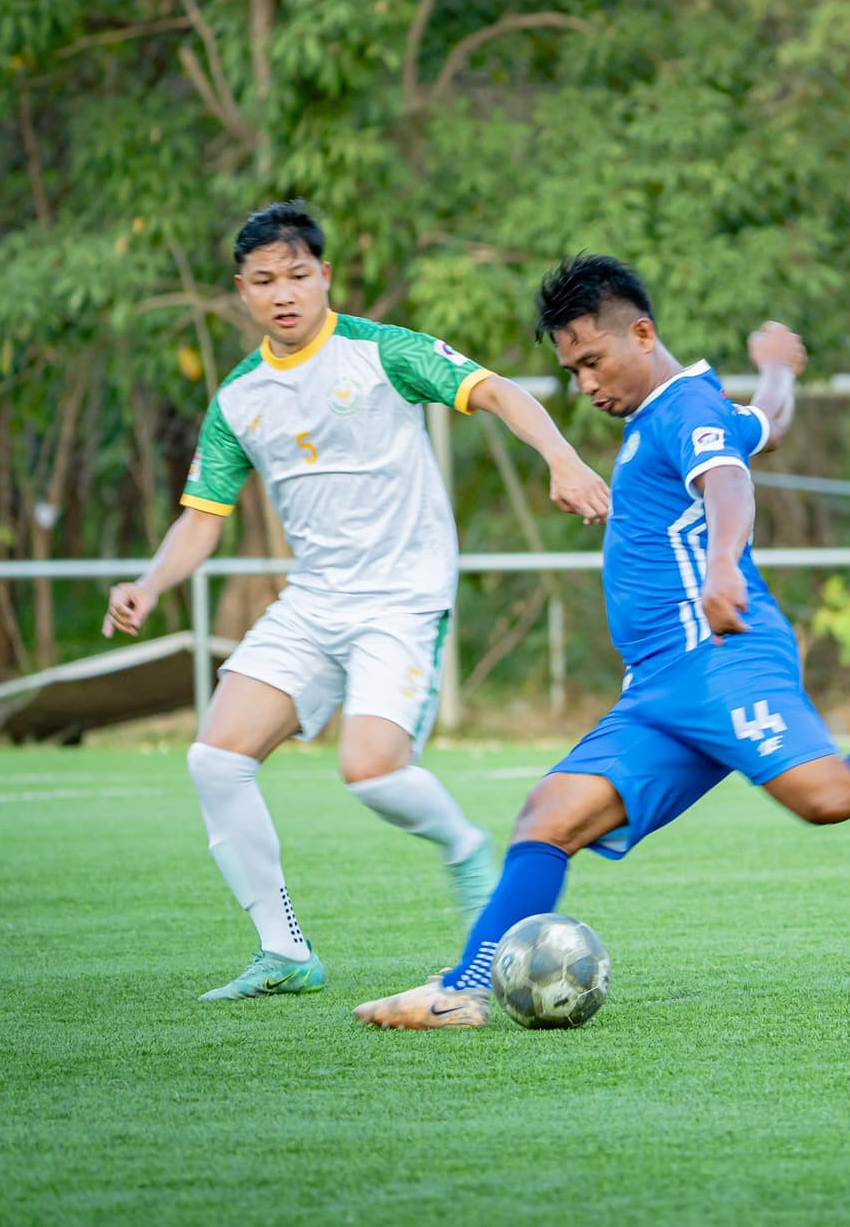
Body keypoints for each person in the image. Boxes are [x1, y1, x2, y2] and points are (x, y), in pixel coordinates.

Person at [355, 253, 850, 1029]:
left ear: (642, 333)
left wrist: (723, 564)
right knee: (547, 819)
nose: (586, 385)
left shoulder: (683, 411)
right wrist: (777, 372)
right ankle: (462, 990)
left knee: (830, 797)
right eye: (572, 372)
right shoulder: (689, 407)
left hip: (720, 657)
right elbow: (768, 425)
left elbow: (729, 481)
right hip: (658, 683)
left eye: (593, 362)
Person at [103, 200, 611, 1002]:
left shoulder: (382, 352)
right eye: (264, 281)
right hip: (312, 602)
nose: (283, 293)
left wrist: (564, 459)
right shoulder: (239, 398)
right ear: (242, 291)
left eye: (297, 275)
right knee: (215, 760)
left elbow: (498, 391)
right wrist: (147, 584)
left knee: (370, 771)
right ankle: (284, 952)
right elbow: (200, 521)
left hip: (401, 599)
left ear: (324, 276)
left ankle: (465, 849)